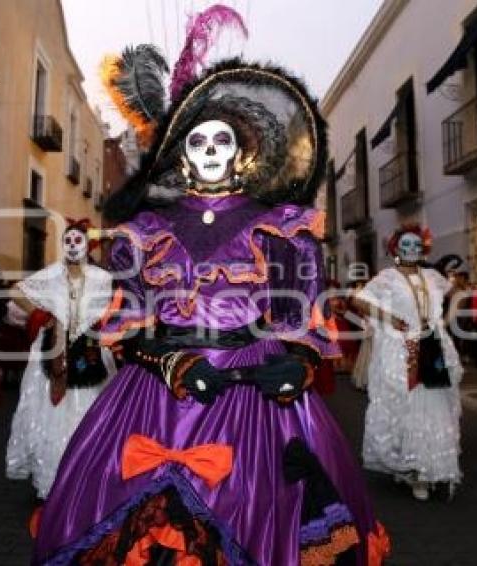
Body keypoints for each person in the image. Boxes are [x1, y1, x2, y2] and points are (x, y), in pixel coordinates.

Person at [29, 28, 389, 565]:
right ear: (182, 157)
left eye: (222, 141)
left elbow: (301, 311)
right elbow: (126, 322)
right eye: (197, 142)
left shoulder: (279, 226)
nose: (210, 152)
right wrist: (168, 360)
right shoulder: (146, 230)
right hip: (156, 390)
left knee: (261, 502)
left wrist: (300, 363)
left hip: (255, 391)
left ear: (242, 154)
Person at [6, 220, 117, 498]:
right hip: (52, 351)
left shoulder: (102, 279)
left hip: (89, 350)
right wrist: (40, 315)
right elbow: (15, 291)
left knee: (87, 414)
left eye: (77, 241)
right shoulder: (51, 274)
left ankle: (83, 478)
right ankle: (53, 479)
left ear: (87, 245)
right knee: (52, 414)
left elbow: (113, 308)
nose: (71, 246)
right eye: (67, 241)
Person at [352, 224, 463, 501]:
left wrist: (442, 324)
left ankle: (436, 467)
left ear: (424, 247)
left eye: (416, 245)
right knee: (406, 409)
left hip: (433, 348)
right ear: (396, 249)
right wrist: (388, 318)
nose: (412, 249)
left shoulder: (433, 277)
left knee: (436, 409)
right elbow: (359, 300)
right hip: (401, 350)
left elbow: (453, 294)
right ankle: (412, 469)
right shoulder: (387, 277)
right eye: (406, 245)